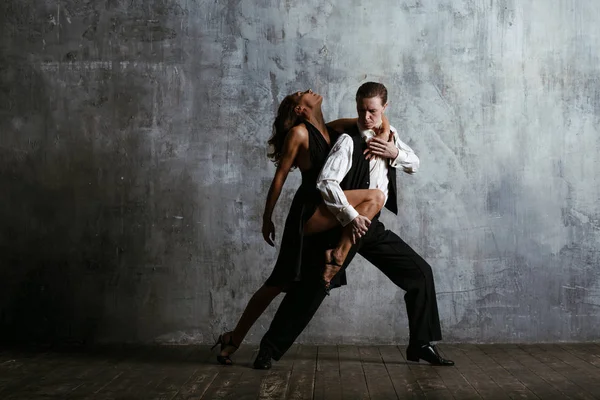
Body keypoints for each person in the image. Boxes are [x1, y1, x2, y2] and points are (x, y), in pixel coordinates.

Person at [252, 82, 454, 369]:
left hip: (370, 225)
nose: (367, 117)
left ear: (385, 108)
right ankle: (269, 350)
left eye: (373, 111)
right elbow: (326, 183)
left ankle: (421, 343)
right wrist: (351, 216)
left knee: (420, 273)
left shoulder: (390, 136)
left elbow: (415, 163)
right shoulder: (348, 141)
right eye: (362, 110)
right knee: (312, 288)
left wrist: (393, 152)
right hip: (346, 223)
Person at [212, 89, 391, 365]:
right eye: (300, 94)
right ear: (299, 109)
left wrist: (383, 134)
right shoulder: (299, 134)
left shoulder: (332, 127)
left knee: (293, 281)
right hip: (310, 209)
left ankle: (247, 342)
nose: (308, 90)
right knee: (276, 283)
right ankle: (233, 338)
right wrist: (266, 217)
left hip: (330, 209)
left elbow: (377, 120)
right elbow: (279, 177)